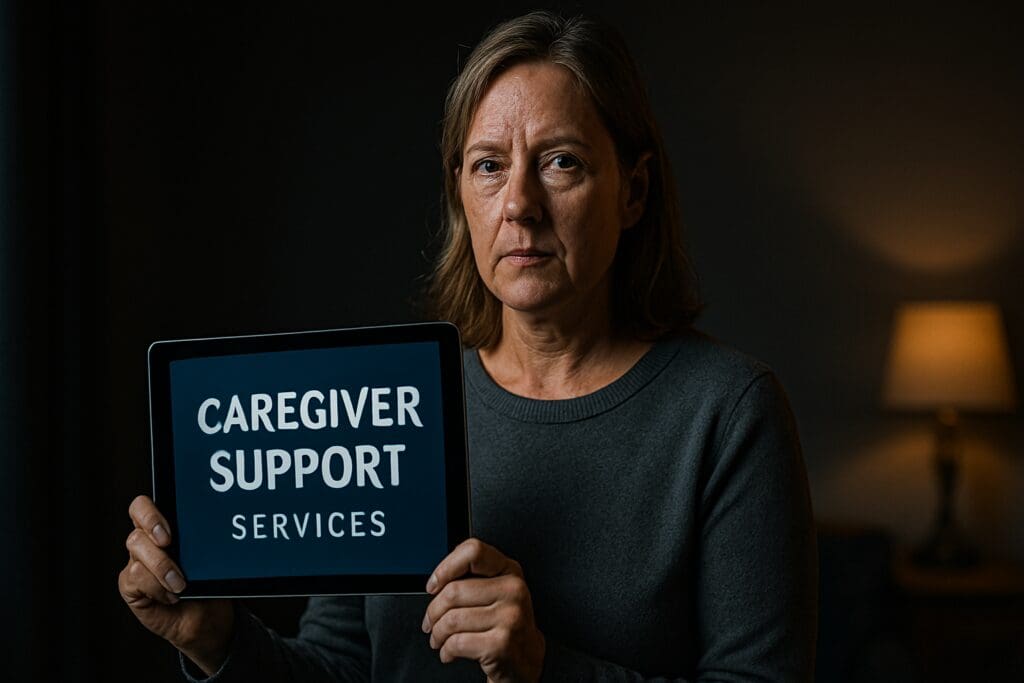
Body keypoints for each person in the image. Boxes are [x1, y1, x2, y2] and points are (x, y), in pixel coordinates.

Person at [119, 10, 818, 682]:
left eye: (561, 162)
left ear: (632, 192)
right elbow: (341, 668)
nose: (519, 203)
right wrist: (215, 640)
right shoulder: (395, 402)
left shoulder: (728, 413)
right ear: (460, 191)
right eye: (488, 165)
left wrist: (545, 669)